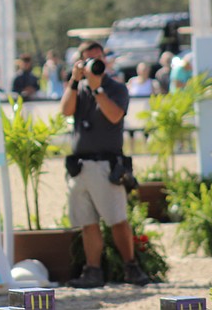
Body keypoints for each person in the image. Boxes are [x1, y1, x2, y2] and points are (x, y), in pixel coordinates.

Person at [61, 40, 150, 288]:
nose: (94, 64)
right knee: (88, 223)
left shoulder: (116, 88)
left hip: (106, 165)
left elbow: (114, 116)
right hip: (80, 166)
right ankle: (93, 271)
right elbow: (65, 110)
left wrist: (98, 88)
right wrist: (75, 81)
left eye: (98, 59)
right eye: (88, 60)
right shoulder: (78, 89)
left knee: (117, 219)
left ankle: (131, 267)